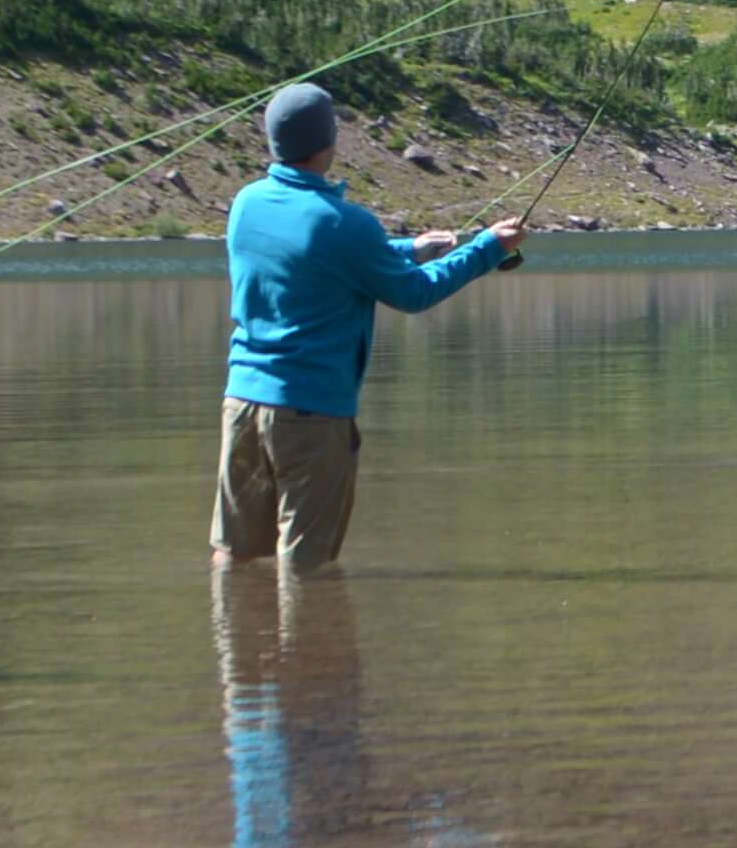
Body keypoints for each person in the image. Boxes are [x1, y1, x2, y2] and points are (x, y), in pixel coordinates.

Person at [210, 82, 520, 572]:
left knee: (234, 554)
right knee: (306, 566)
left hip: (242, 403)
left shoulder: (246, 204)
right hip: (311, 413)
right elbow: (413, 294)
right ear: (328, 140)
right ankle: (306, 645)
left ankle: (234, 642)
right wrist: (486, 249)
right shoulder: (346, 223)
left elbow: (310, 256)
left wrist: (406, 250)